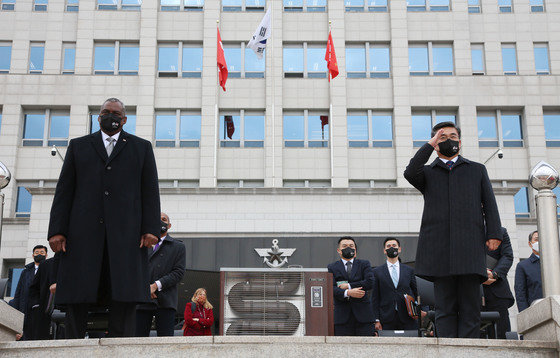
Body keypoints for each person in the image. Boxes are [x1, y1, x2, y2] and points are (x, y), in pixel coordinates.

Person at [47, 98, 161, 338]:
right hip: (83, 235)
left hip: (126, 237)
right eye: (106, 112)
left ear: (125, 119)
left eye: (116, 113)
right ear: (98, 117)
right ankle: (73, 348)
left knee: (124, 295)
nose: (111, 116)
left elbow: (149, 190)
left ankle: (120, 347)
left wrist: (151, 228)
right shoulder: (79, 146)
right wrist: (57, 230)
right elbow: (64, 191)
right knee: (78, 295)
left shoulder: (141, 148)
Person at [404, 121, 502, 338]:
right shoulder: (428, 173)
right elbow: (410, 172)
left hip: (469, 248)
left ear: (461, 141)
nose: (449, 140)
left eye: (453, 135)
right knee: (444, 308)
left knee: (470, 307)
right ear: (436, 143)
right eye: (443, 137)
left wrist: (494, 233)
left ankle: (468, 351)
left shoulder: (476, 170)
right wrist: (430, 145)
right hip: (440, 251)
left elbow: (489, 203)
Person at [136, 213, 186, 337]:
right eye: (157, 219)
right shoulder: (141, 244)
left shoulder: (178, 247)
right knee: (137, 339)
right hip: (142, 299)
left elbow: (178, 272)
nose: (160, 222)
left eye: (164, 219)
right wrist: (145, 287)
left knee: (166, 341)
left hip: (166, 301)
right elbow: (135, 269)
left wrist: (156, 285)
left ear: (169, 225)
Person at [327, 236, 375, 336]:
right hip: (342, 318)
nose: (348, 248)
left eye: (351, 246)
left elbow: (369, 282)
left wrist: (349, 286)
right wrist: (348, 293)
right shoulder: (332, 267)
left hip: (364, 317)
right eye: (344, 246)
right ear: (339, 250)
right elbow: (330, 288)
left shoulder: (364, 264)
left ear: (355, 250)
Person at [372, 238, 418, 331]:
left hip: (407, 316)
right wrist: (376, 320)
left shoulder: (409, 270)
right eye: (388, 246)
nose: (391, 248)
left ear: (399, 249)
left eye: (394, 246)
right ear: (384, 251)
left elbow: (416, 292)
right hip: (386, 317)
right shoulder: (377, 272)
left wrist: (418, 311)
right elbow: (375, 297)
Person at [9, 245, 48, 340]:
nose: (39, 254)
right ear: (33, 255)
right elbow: (18, 292)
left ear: (46, 255)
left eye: (42, 253)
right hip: (26, 308)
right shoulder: (25, 272)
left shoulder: (49, 269)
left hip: (42, 308)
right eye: (37, 253)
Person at [482, 227, 515, 339]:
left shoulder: (500, 232)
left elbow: (507, 256)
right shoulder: (463, 231)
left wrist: (494, 274)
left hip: (497, 291)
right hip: (470, 290)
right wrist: (479, 274)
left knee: (501, 334)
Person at [27, 254, 60, 340]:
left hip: (69, 310)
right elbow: (34, 288)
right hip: (46, 312)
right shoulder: (46, 264)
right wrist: (36, 305)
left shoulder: (77, 262)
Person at [514, 231, 542, 312]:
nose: (539, 242)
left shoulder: (556, 262)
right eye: (536, 239)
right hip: (535, 310)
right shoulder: (523, 266)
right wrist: (525, 314)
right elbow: (520, 294)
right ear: (530, 244)